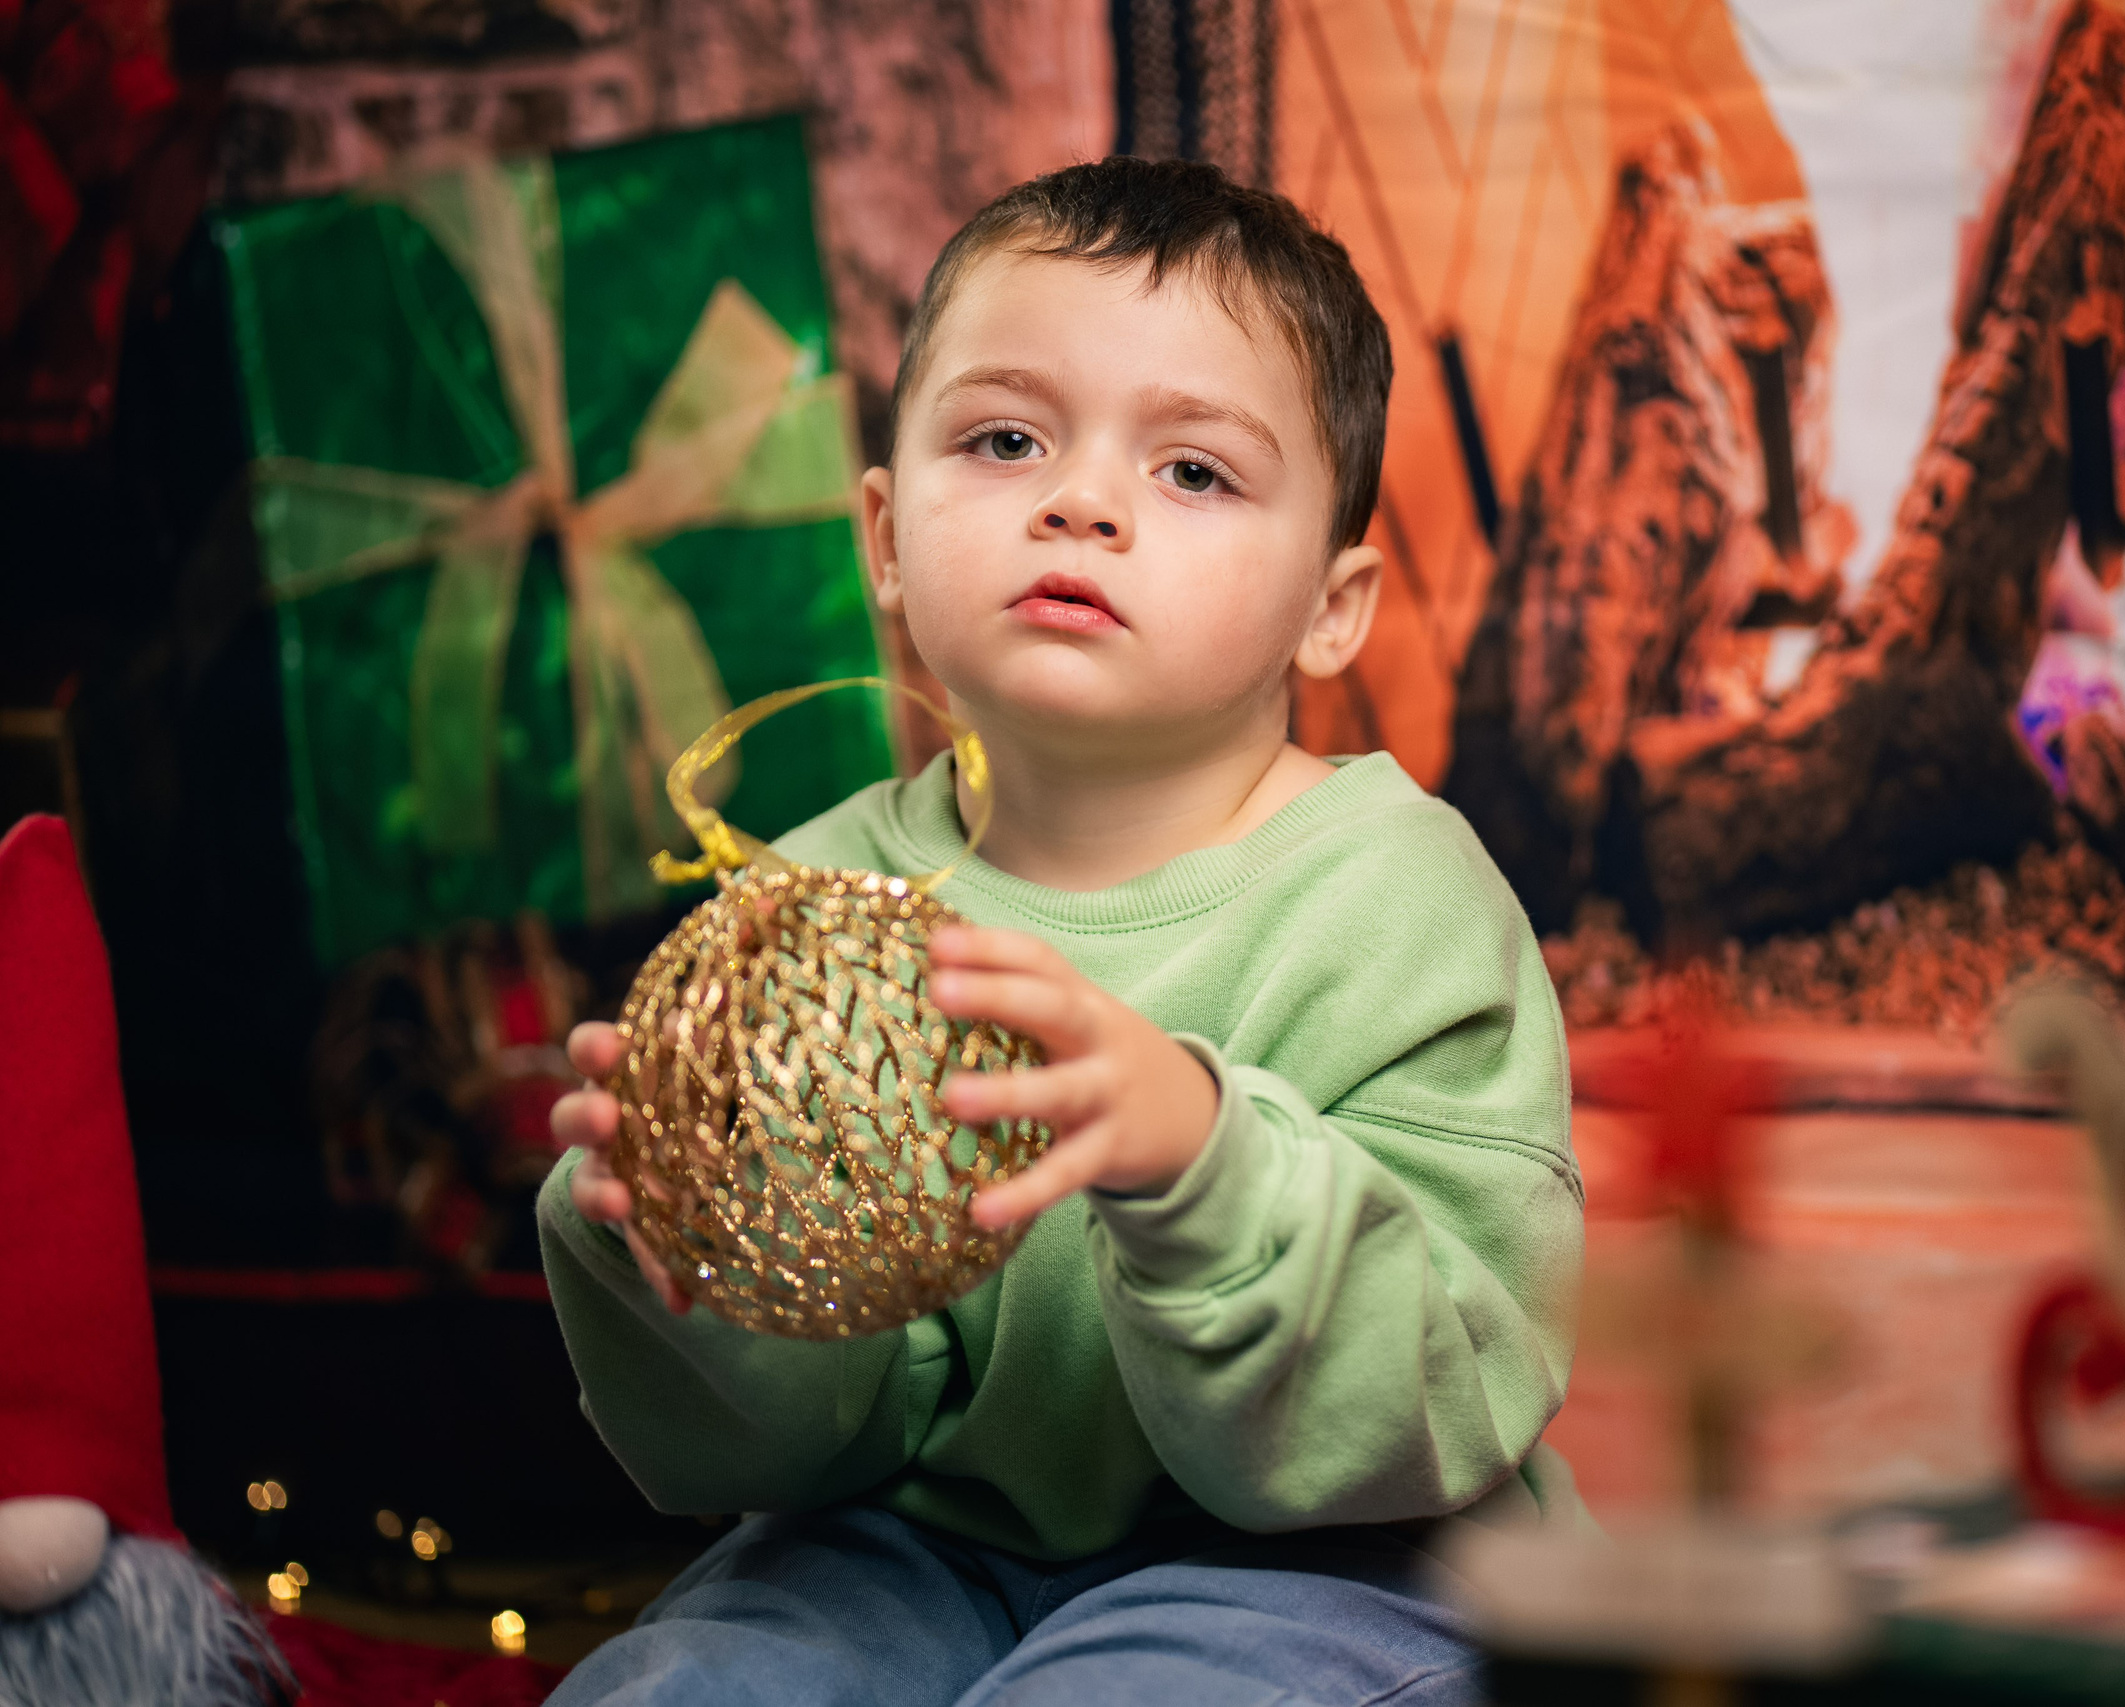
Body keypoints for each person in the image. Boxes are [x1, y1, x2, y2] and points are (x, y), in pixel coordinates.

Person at [540, 155, 1581, 1707]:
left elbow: (1444, 1388)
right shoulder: (813, 909)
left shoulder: (1399, 901)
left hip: (1339, 1568)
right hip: (910, 1544)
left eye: (1194, 473)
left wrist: (1200, 1162)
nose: (1079, 501)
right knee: (688, 1686)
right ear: (886, 539)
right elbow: (791, 1448)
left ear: (1333, 604)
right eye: (1007, 438)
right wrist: (687, 1256)